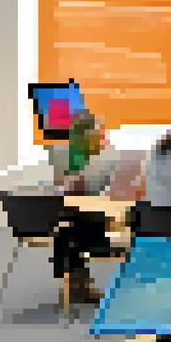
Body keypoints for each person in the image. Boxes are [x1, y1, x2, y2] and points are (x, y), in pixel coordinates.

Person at [49, 111, 145, 305]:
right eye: (95, 133)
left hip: (90, 216)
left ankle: (77, 284)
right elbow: (68, 188)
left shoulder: (105, 156)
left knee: (69, 233)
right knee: (73, 230)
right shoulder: (70, 156)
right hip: (87, 216)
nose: (100, 137)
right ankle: (80, 284)